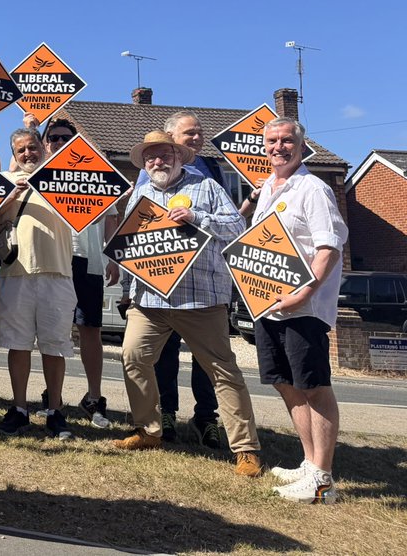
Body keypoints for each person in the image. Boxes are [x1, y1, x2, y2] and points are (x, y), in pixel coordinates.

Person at [113, 131, 263, 479]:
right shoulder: (141, 192)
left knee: (222, 370)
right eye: (150, 157)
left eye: (164, 155)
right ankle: (148, 431)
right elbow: (130, 244)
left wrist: (197, 218)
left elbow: (237, 225)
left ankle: (245, 449)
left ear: (179, 157)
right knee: (133, 357)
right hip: (150, 298)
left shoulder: (206, 187)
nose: (157, 162)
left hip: (200, 298)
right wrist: (127, 287)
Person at [253, 117, 348, 503]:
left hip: (303, 308)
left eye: (287, 140)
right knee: (287, 384)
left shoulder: (314, 188)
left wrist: (305, 293)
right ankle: (310, 464)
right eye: (272, 141)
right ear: (264, 147)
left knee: (314, 387)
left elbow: (329, 247)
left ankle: (323, 482)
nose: (279, 146)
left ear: (301, 145)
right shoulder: (266, 189)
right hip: (270, 305)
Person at [132, 110, 225, 446]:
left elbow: (226, 221)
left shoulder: (211, 173)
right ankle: (166, 414)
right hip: (161, 283)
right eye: (190, 133)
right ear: (172, 139)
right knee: (163, 354)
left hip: (203, 284)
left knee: (208, 361)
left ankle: (206, 418)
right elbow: (138, 227)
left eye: (199, 132)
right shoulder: (150, 174)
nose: (197, 138)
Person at [0, 128, 77, 440]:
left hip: (58, 274)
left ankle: (55, 411)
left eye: (32, 147)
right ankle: (19, 408)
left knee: (55, 346)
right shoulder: (7, 182)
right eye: (21, 150)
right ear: (14, 154)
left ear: (43, 147)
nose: (28, 154)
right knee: (18, 344)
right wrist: (10, 195)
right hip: (17, 275)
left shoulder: (65, 180)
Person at [41, 118, 118, 429]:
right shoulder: (40, 174)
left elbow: (112, 216)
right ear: (46, 143)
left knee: (90, 331)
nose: (59, 143)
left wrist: (112, 256)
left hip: (88, 260)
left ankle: (94, 398)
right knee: (53, 332)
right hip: (53, 261)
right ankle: (53, 396)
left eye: (65, 138)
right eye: (53, 138)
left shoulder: (96, 172)